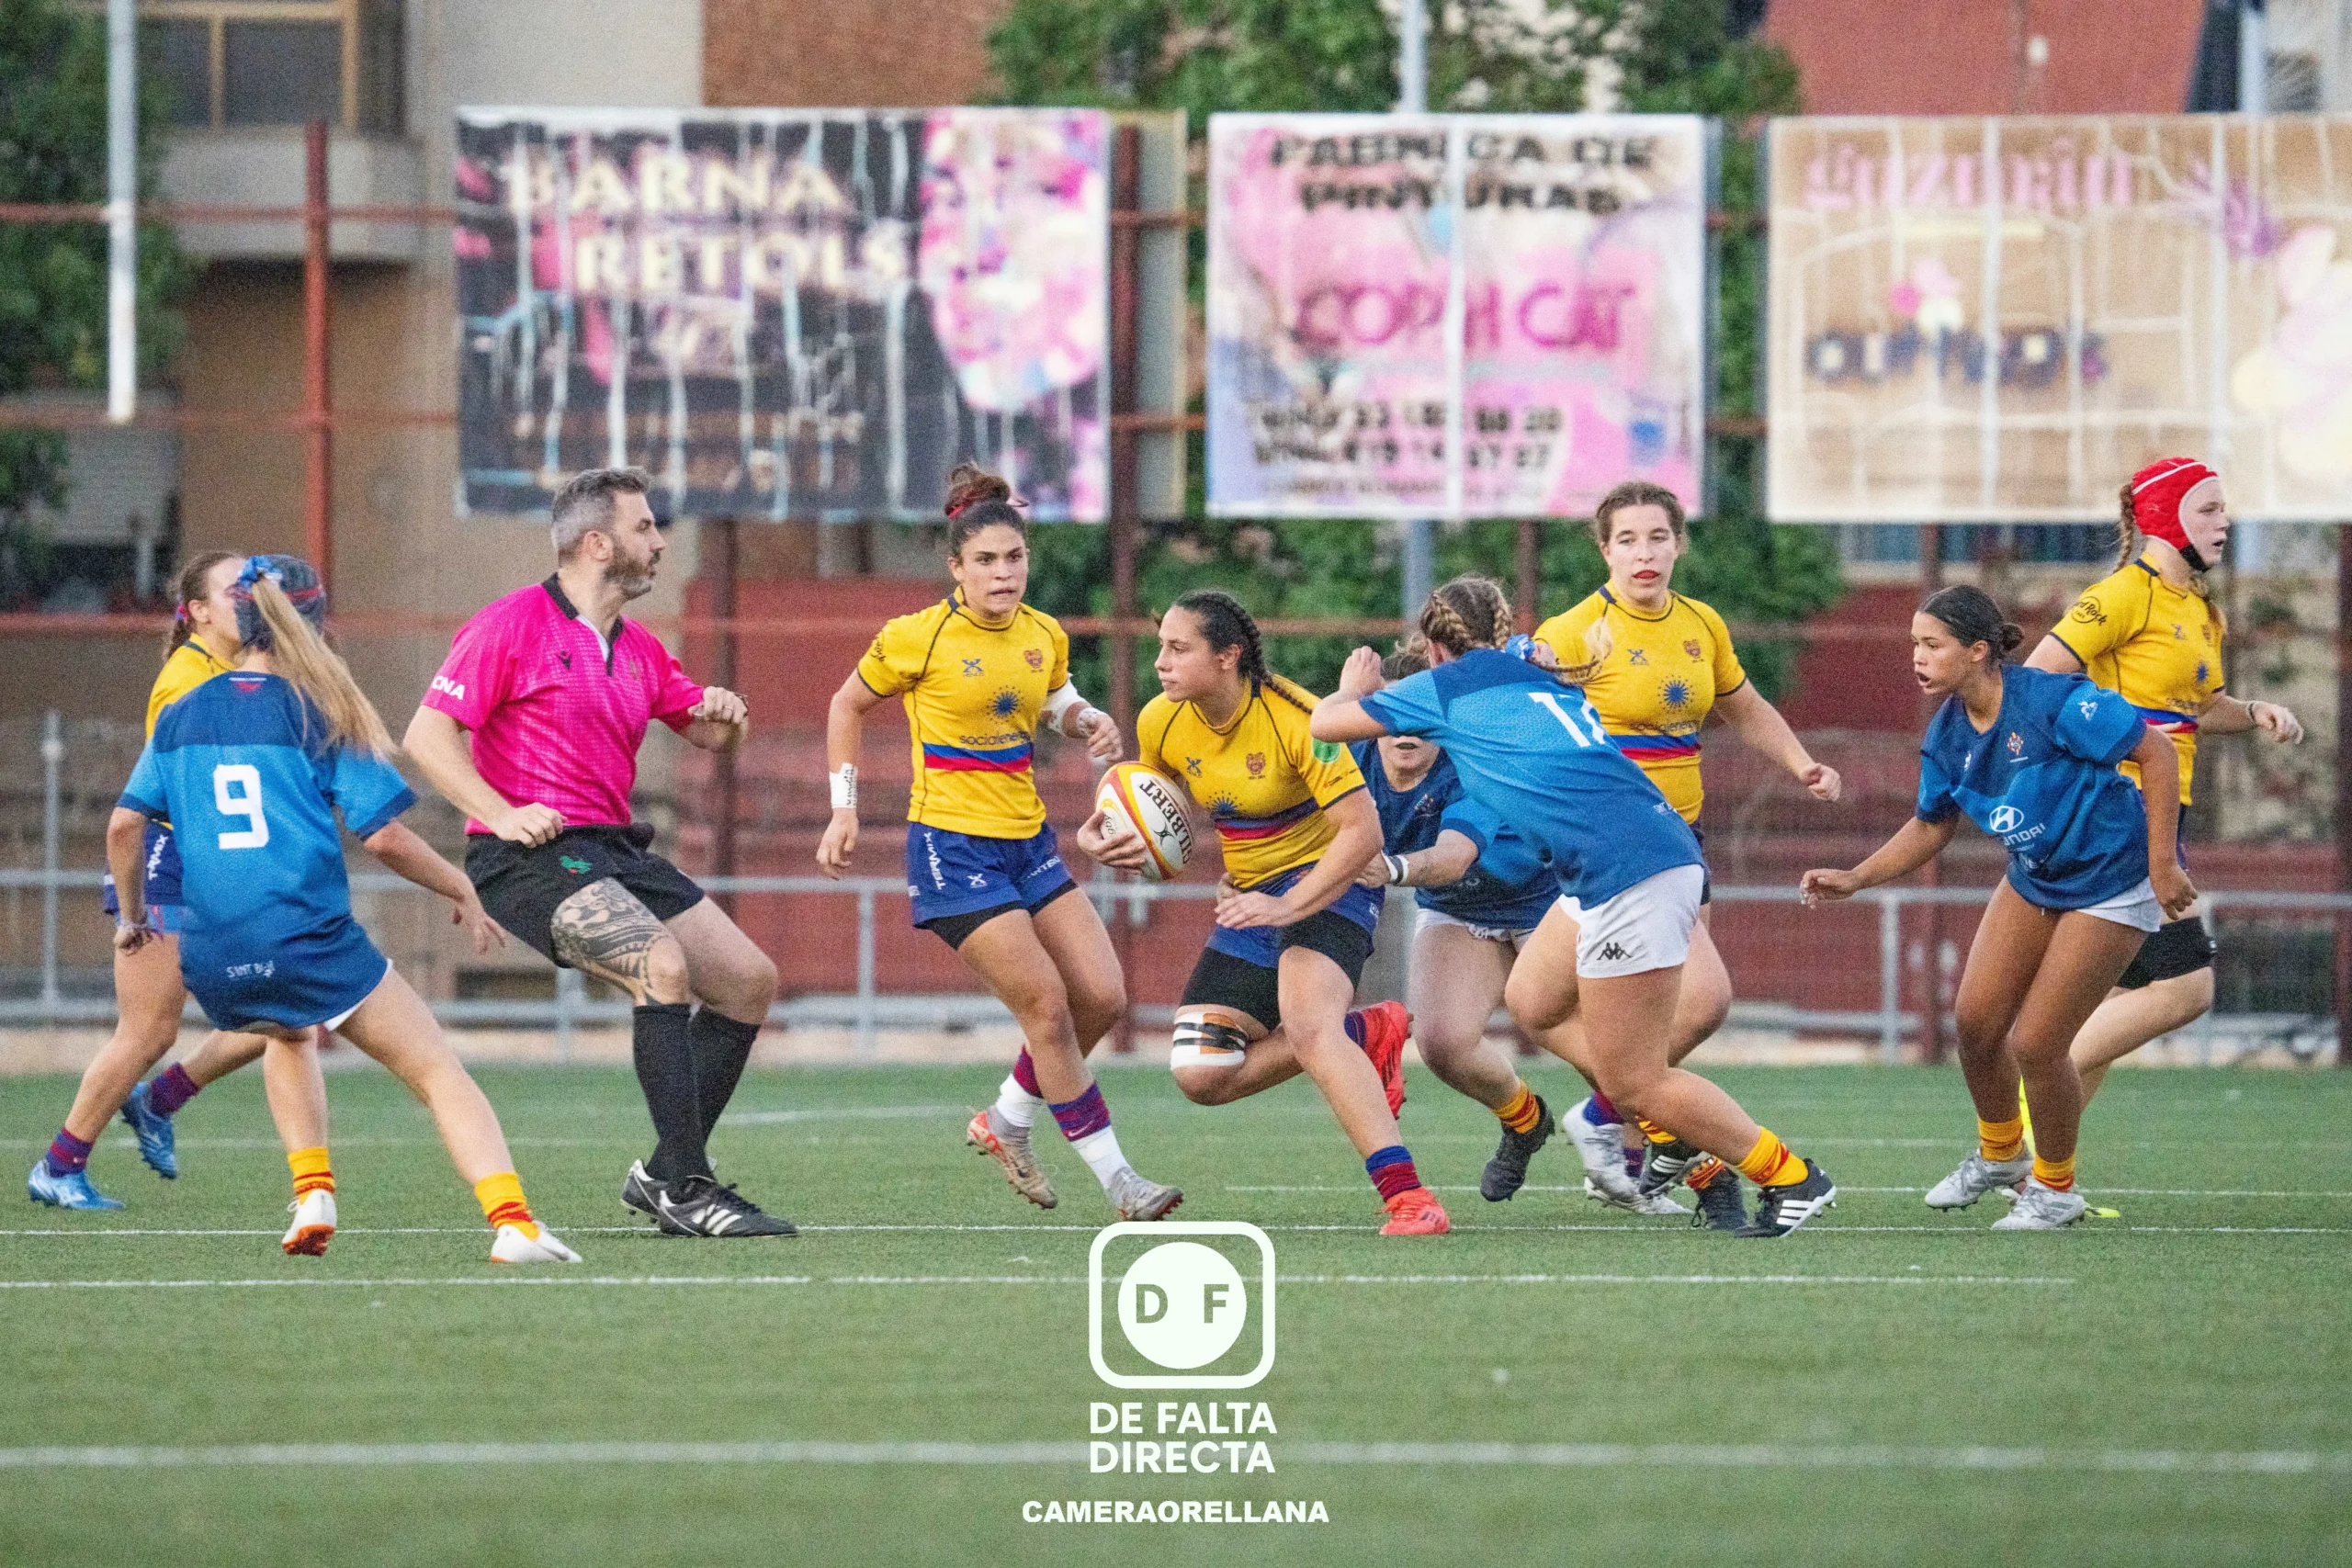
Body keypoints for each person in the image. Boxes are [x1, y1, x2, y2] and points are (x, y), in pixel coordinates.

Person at [1313, 575, 1839, 1238]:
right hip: (1623, 858)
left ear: (1436, 648)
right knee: (1534, 1000)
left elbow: (1325, 724)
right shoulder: (1532, 671)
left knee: (1637, 1079)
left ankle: (1791, 1177)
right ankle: (1671, 1136)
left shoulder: (1452, 684)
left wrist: (1355, 685)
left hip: (1630, 869)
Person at [108, 556, 578, 1263]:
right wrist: (459, 884)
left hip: (210, 955)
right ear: (314, 624)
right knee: (435, 1069)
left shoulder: (180, 714)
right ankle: (514, 1223)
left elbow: (123, 826)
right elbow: (384, 835)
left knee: (290, 1033)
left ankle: (314, 1193)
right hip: (306, 938)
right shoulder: (317, 712)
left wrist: (132, 916)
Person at [403, 467, 790, 1239]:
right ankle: (687, 1186)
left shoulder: (640, 649)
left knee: (749, 981)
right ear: (596, 542)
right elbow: (425, 736)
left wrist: (729, 713)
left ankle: (659, 1173)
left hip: (613, 850)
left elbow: (709, 732)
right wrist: (501, 814)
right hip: (530, 859)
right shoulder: (510, 625)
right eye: (645, 527)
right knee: (661, 964)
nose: (658, 541)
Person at [818, 463, 1179, 1221]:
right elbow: (845, 704)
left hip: (1029, 839)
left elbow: (1054, 700)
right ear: (956, 567)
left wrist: (1088, 722)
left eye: (1013, 558)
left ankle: (1007, 1118)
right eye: (984, 560)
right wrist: (842, 808)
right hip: (954, 850)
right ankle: (1122, 1182)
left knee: (1103, 996)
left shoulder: (1043, 633)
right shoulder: (918, 636)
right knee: (1047, 1005)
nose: (1002, 573)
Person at [1800, 586, 2197, 1231]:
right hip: (2037, 876)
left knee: (2038, 1043)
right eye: (1913, 646)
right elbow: (1932, 826)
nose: (1917, 658)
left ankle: (2056, 1189)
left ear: (1978, 650)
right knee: (1976, 1023)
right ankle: (2001, 1153)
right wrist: (1856, 877)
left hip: (2112, 878)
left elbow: (2154, 752)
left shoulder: (2051, 698)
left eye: (1932, 645)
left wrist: (2163, 864)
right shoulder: (1949, 733)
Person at [1077, 590, 1435, 1235]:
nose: (1161, 661)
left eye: (1179, 648)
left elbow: (1364, 833)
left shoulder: (1301, 719)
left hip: (1331, 882)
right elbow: (1163, 809)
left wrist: (1288, 903)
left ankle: (1410, 1198)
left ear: (1228, 657)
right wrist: (1101, 833)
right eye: (1161, 647)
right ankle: (1366, 1033)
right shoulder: (1163, 719)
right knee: (1200, 1073)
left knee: (1308, 1025)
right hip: (1253, 894)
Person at [1531, 480, 1841, 1226]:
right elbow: (1527, 726)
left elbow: (1745, 705)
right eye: (1628, 539)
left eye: (1658, 537)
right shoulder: (1572, 632)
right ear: (1604, 551)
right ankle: (1639, 1113)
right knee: (1533, 1003)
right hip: (1603, 849)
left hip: (1670, 850)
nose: (1645, 552)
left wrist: (1800, 763)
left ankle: (1640, 1114)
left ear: (1680, 544)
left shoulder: (1701, 623)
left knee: (1701, 1003)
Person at [28, 551, 332, 1225]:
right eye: (234, 590)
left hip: (214, 863)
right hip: (169, 855)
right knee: (148, 1028)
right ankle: (59, 1164)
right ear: (197, 611)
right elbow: (157, 803)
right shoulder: (186, 680)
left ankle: (160, 1098)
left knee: (290, 1015)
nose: (250, 598)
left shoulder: (243, 671)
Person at [2021, 458, 2302, 1108]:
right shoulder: (2123, 593)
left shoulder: (2202, 611)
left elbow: (2200, 710)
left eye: (2224, 509)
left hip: (2159, 811)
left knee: (2119, 996)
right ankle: (2032, 1074)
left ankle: (2045, 1179)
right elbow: (2037, 681)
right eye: (2206, 509)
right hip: (2119, 812)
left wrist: (2254, 712)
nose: (2223, 521)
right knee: (2186, 989)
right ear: (2163, 517)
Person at [1350, 643, 1565, 1203]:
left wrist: (1389, 867)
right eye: (1390, 714)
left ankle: (1707, 1170)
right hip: (1459, 909)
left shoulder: (1472, 760)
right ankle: (1525, 1121)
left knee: (1597, 1048)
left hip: (1544, 896)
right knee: (1442, 1042)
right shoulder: (1350, 760)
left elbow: (1452, 857)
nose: (1406, 730)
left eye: (1420, 716)